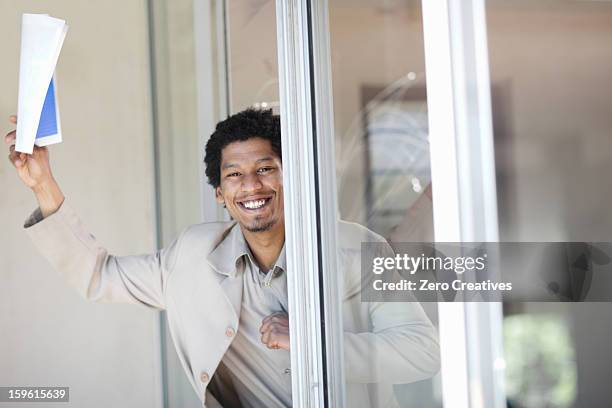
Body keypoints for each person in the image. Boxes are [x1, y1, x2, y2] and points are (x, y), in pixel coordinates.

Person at [5, 108, 440, 408]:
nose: (251, 185)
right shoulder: (192, 257)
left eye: (266, 168)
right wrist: (43, 185)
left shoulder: (357, 249)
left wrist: (313, 343)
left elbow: (422, 352)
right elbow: (98, 276)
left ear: (295, 178)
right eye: (234, 175)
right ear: (220, 194)